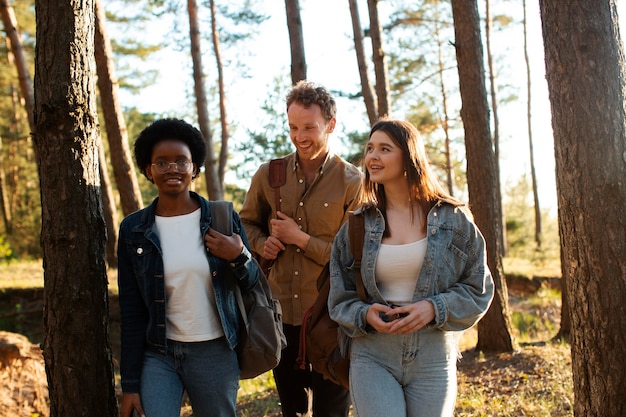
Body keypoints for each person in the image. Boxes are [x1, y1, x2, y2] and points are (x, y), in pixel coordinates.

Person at [328, 118, 495, 417]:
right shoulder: (356, 225)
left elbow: (479, 288)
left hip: (433, 356)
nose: (372, 157)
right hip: (373, 354)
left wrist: (434, 308)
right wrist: (365, 313)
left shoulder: (453, 219)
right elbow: (339, 297)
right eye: (369, 149)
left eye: (384, 149)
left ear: (409, 156)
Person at [117, 118, 260, 417]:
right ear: (148, 170)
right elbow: (131, 310)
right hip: (158, 354)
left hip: (215, 352)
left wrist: (238, 255)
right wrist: (129, 384)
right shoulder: (133, 229)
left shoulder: (222, 218)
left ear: (195, 168)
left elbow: (254, 282)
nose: (172, 169)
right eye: (162, 162)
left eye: (181, 161)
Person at [239, 80, 362, 417]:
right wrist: (265, 244)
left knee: (331, 411)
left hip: (331, 316)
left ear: (331, 125)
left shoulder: (354, 182)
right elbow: (244, 224)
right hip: (279, 314)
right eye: (293, 127)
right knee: (292, 410)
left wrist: (300, 239)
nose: (300, 136)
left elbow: (354, 256)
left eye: (309, 127)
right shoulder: (268, 175)